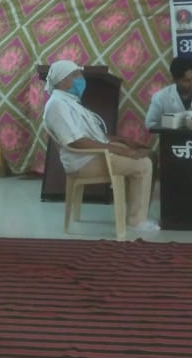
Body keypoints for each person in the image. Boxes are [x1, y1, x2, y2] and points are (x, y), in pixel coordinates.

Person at [43, 59, 159, 233]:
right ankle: (136, 221)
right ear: (63, 80)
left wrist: (123, 141)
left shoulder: (70, 102)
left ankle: (135, 214)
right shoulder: (56, 105)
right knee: (142, 164)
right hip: (83, 161)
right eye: (76, 75)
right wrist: (116, 149)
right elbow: (76, 141)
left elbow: (94, 136)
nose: (82, 79)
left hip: (92, 155)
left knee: (144, 154)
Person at [144, 57, 192, 129]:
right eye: (186, 81)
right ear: (175, 80)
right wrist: (171, 123)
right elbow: (150, 123)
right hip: (174, 138)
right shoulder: (160, 97)